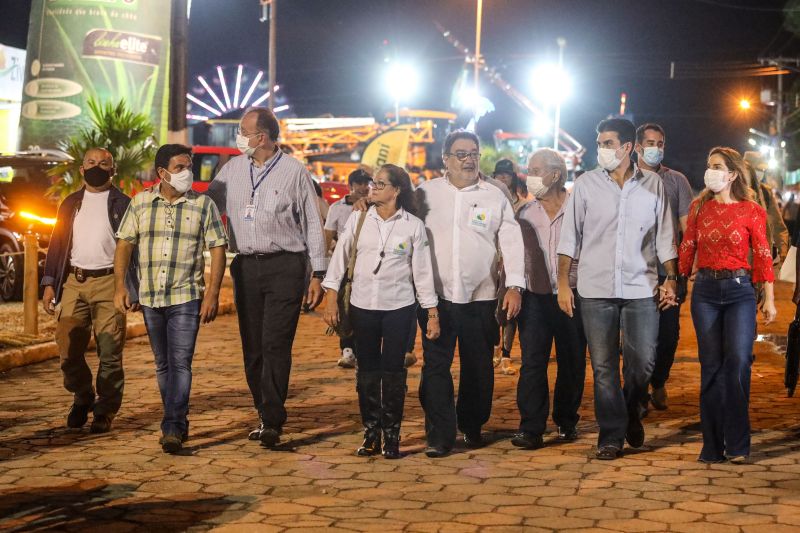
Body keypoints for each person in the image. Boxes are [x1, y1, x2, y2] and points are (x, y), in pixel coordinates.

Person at [557, 118, 678, 461]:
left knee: (642, 363)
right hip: (595, 289)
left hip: (641, 287)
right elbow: (569, 237)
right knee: (604, 367)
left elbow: (665, 237)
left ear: (626, 147)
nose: (601, 149)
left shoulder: (653, 185)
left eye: (607, 143)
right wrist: (563, 283)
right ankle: (611, 434)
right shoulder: (585, 184)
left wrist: (671, 277)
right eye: (599, 143)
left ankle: (630, 410)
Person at [206, 107, 327, 448]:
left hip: (285, 266)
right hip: (246, 267)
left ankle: (273, 419)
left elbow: (312, 223)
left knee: (275, 343)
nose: (238, 136)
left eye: (243, 131)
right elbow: (206, 208)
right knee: (253, 347)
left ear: (261, 137)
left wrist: (318, 273)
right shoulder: (231, 170)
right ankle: (263, 410)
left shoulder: (294, 171)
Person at [416, 130, 525, 457]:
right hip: (435, 299)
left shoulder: (493, 195)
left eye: (473, 153)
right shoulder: (425, 193)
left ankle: (472, 424)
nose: (468, 160)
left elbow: (512, 241)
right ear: (445, 159)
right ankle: (439, 433)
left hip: (481, 297)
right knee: (435, 366)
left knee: (478, 366)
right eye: (461, 154)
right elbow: (400, 223)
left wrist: (514, 285)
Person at [114, 144, 228, 454]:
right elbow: (124, 244)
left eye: (189, 166)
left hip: (186, 296)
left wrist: (212, 293)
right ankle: (175, 418)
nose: (187, 173)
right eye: (180, 167)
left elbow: (217, 247)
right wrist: (120, 287)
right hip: (151, 297)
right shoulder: (140, 203)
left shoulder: (203, 204)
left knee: (180, 363)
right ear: (162, 173)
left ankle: (172, 426)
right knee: (162, 364)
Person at [322, 164, 440, 459]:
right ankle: (371, 432)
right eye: (373, 183)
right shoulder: (359, 217)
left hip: (399, 307)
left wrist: (432, 313)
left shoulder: (413, 225)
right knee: (366, 371)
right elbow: (340, 257)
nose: (372, 188)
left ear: (397, 190)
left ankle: (392, 435)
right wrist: (331, 296)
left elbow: (422, 272)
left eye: (380, 184)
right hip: (362, 305)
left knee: (394, 371)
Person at [680, 147, 776, 464]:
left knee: (738, 361)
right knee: (711, 367)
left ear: (733, 173)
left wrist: (769, 298)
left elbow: (762, 253)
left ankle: (737, 444)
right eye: (709, 165)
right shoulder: (699, 208)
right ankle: (711, 446)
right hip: (705, 292)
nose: (711, 171)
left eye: (718, 166)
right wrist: (677, 280)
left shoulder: (752, 210)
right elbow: (688, 245)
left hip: (740, 292)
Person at [41, 148, 139, 434]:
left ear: (113, 170)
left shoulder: (125, 204)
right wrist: (49, 283)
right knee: (68, 348)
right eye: (91, 163)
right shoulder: (70, 203)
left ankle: (105, 410)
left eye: (104, 163)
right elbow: (57, 243)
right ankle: (83, 395)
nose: (97, 167)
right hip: (74, 282)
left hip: (111, 283)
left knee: (110, 352)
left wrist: (132, 288)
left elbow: (135, 248)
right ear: (82, 169)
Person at [511, 148, 586, 449]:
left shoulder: (579, 209)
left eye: (536, 170)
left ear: (555, 175)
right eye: (529, 170)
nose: (529, 176)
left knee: (572, 361)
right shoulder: (524, 213)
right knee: (532, 361)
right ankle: (531, 427)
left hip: (574, 295)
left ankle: (567, 420)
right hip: (536, 297)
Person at [634, 123, 694, 412]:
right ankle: (638, 392)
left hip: (669, 271)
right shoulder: (626, 178)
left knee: (668, 335)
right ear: (636, 147)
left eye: (660, 143)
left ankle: (658, 381)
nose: (656, 148)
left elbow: (687, 227)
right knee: (637, 336)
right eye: (650, 143)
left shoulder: (676, 181)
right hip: (635, 272)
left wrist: (684, 269)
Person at [324, 168, 372, 369]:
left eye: (366, 183)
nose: (363, 187)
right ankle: (347, 349)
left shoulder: (373, 207)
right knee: (344, 308)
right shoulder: (336, 207)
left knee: (361, 309)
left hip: (365, 265)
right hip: (344, 266)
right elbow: (328, 236)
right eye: (359, 183)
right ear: (350, 185)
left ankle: (362, 350)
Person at [491, 159, 530, 376]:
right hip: (491, 263)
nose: (503, 177)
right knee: (492, 310)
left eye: (506, 174)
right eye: (499, 174)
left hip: (512, 264)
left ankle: (505, 354)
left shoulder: (524, 205)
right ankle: (496, 346)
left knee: (509, 311)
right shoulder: (488, 201)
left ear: (514, 178)